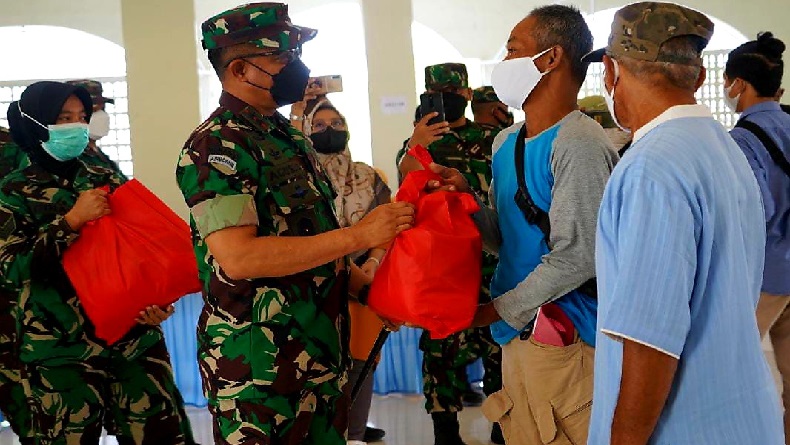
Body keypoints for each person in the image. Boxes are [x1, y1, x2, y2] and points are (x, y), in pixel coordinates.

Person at [175, 4, 414, 444]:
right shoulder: (218, 144)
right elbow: (240, 256)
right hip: (260, 370)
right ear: (242, 68)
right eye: (283, 57)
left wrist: (367, 291)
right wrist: (361, 236)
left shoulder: (286, 137)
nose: (297, 67)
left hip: (319, 353)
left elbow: (310, 241)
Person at [582, 3, 785, 444]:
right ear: (699, 77)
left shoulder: (650, 168)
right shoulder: (724, 149)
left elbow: (648, 342)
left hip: (685, 427)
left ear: (611, 72)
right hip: (744, 416)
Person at [425, 6, 617, 444]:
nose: (504, 62)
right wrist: (467, 203)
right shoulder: (505, 141)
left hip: (564, 338)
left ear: (551, 58)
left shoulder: (580, 143)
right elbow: (505, 238)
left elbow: (576, 257)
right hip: (517, 333)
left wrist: (487, 313)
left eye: (513, 50)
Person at [0, 81, 195, 444]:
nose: (76, 126)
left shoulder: (104, 175)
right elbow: (13, 270)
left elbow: (140, 250)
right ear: (35, 122)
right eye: (63, 118)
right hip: (60, 350)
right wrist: (69, 222)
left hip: (132, 339)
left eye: (80, 117)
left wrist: (156, 301)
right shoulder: (12, 192)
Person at [399, 63, 504, 445]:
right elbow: (406, 182)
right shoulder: (418, 144)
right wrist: (418, 143)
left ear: (467, 96)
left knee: (498, 346)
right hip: (441, 266)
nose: (445, 103)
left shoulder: (494, 138)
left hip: (492, 261)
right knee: (440, 349)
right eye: (436, 96)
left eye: (452, 95)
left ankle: (501, 425)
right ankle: (445, 431)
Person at [298, 97, 390, 445]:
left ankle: (354, 433)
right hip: (315, 282)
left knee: (361, 362)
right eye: (319, 126)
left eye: (336, 124)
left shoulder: (369, 177)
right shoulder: (301, 176)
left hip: (364, 281)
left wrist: (371, 263)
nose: (329, 130)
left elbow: (388, 223)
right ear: (306, 133)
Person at [724, 31, 790, 443]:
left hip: (766, 277)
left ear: (737, 85)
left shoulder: (742, 141)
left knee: (730, 372)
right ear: (779, 89)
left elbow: (756, 211)